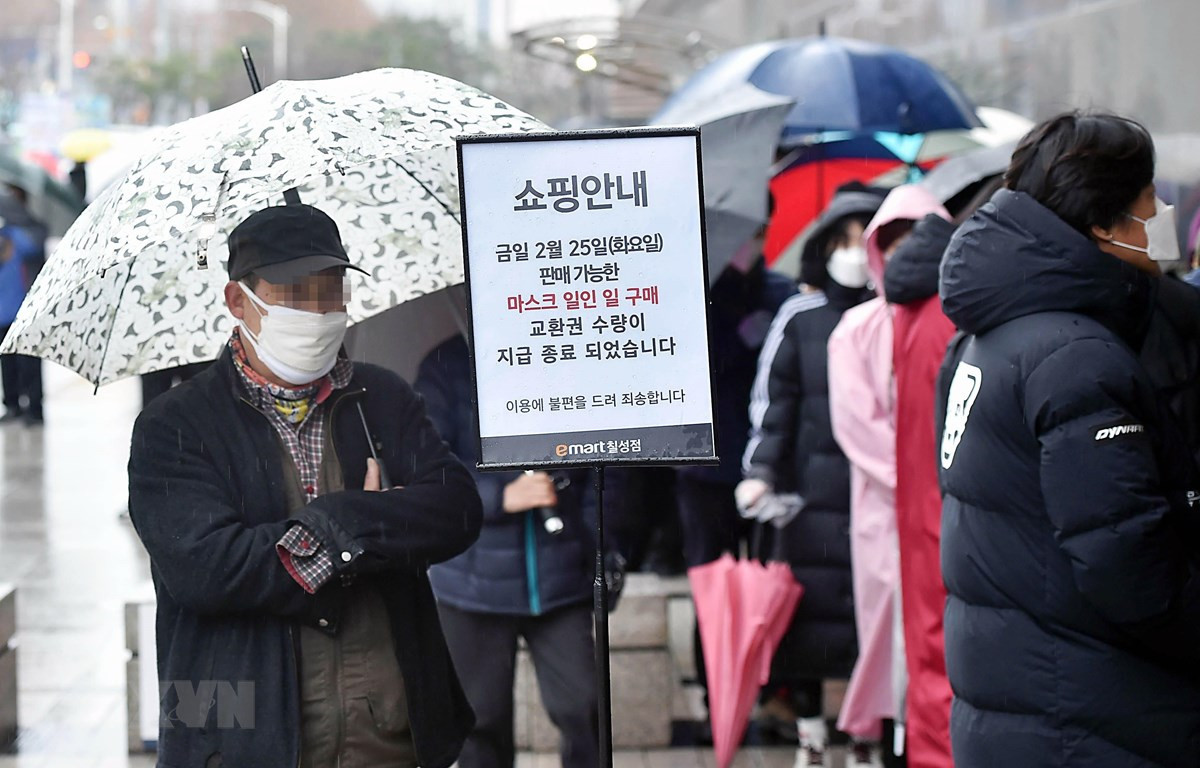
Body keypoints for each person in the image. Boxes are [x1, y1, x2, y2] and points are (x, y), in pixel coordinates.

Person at [128, 204, 483, 768]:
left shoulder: (381, 397)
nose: (318, 310)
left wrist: (345, 525)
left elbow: (458, 510)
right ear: (238, 301)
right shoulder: (175, 425)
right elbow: (206, 571)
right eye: (295, 292)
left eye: (331, 289)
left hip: (387, 728)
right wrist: (358, 523)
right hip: (237, 733)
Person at [937, 111, 1200, 767]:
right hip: (1090, 720)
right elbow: (1127, 564)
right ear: (1102, 225)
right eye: (1148, 196)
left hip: (1030, 703)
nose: (1162, 210)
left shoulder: (995, 334)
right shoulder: (1077, 356)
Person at [737, 186, 883, 766]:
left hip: (877, 498)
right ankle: (812, 737)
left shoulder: (893, 313)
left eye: (861, 241)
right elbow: (776, 403)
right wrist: (762, 473)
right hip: (809, 501)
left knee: (870, 626)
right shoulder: (799, 318)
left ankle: (870, 738)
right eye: (840, 241)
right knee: (806, 630)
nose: (850, 253)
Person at [414, 335, 601, 768]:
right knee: (481, 723)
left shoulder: (570, 354)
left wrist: (601, 548)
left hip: (561, 574)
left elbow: (602, 467)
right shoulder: (446, 364)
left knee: (585, 707)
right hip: (470, 583)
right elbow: (424, 469)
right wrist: (498, 494)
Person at [828, 184, 950, 766]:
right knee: (889, 626)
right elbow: (858, 425)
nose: (905, 254)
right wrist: (914, 476)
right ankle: (892, 735)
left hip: (947, 504)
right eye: (893, 242)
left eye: (915, 239)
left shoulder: (959, 317)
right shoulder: (855, 329)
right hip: (883, 504)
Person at [0, 188, 46, 425]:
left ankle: (35, 407)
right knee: (7, 364)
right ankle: (13, 404)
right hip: (2, 312)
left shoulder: (29, 233)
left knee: (28, 362)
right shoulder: (4, 232)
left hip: (25, 312)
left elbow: (33, 250)